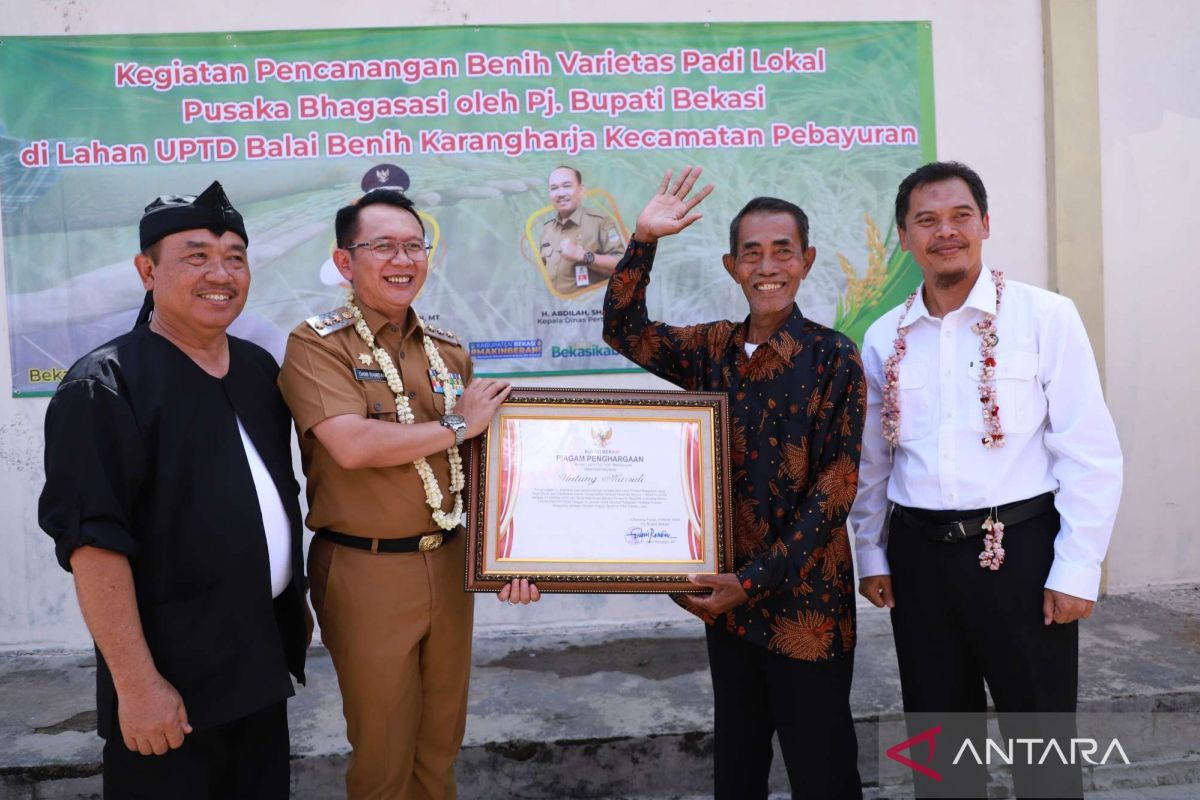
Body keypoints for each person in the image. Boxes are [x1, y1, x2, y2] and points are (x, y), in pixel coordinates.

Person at [850, 161, 1123, 798]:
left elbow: (1090, 452)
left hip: (1021, 554)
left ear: (985, 224)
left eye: (960, 216)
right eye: (927, 220)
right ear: (904, 237)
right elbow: (873, 462)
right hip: (918, 561)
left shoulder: (1045, 318)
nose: (946, 231)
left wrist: (1078, 567)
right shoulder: (884, 336)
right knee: (941, 754)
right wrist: (870, 552)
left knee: (1044, 751)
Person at [38, 181, 309, 799]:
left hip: (259, 668)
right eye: (196, 256)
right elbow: (93, 547)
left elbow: (268, 501)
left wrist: (295, 605)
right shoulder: (105, 387)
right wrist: (137, 686)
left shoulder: (256, 369)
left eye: (235, 256)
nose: (221, 272)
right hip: (171, 689)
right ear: (146, 270)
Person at [603, 167, 865, 799]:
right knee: (738, 769)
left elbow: (836, 489)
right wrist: (643, 239)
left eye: (782, 251)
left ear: (805, 260)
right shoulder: (710, 349)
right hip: (726, 609)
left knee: (823, 772)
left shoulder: (834, 357)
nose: (767, 266)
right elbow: (624, 330)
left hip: (808, 606)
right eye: (752, 253)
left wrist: (750, 582)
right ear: (731, 265)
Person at [278, 188, 537, 799]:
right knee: (384, 751)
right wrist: (456, 425)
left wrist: (516, 557)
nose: (403, 259)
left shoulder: (446, 350)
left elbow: (480, 465)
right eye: (383, 246)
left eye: (414, 246)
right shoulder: (317, 344)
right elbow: (351, 445)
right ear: (345, 262)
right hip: (366, 567)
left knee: (439, 744)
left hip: (449, 561)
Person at [539, 165, 625, 295]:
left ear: (581, 189)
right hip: (555, 311)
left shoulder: (600, 222)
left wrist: (584, 256)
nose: (561, 193)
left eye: (567, 186)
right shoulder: (547, 229)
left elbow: (623, 266)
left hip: (589, 310)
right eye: (554, 188)